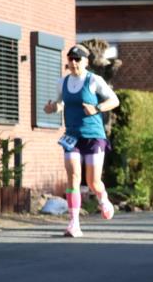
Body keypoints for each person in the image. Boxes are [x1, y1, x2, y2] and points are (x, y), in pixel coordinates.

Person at [44, 44, 120, 238]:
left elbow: (114, 101)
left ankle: (103, 198)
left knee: (93, 182)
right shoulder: (62, 83)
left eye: (78, 59)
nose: (74, 62)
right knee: (73, 178)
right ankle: (74, 223)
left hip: (94, 135)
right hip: (72, 136)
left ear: (86, 62)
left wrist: (97, 108)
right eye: (71, 59)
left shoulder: (94, 80)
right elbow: (61, 103)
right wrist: (53, 108)